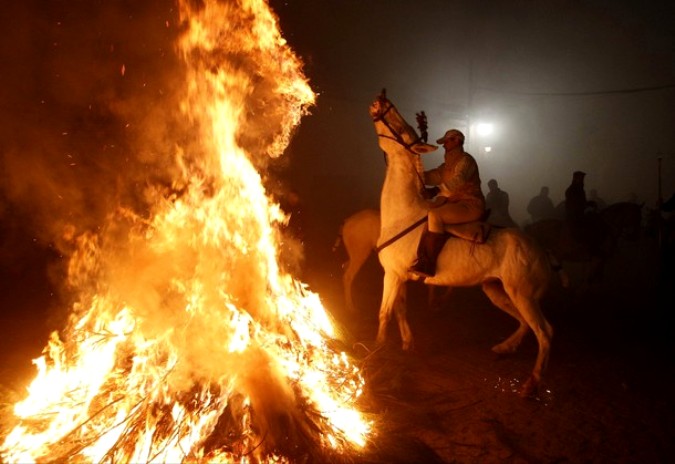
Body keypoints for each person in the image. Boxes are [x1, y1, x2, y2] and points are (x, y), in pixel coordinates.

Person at [409, 129, 485, 278]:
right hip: (453, 203)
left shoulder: (466, 160)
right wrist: (411, 170)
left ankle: (428, 263)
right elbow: (431, 176)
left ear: (457, 140)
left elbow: (459, 180)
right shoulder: (446, 166)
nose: (444, 146)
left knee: (435, 215)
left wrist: (435, 190)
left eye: (446, 142)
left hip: (470, 204)